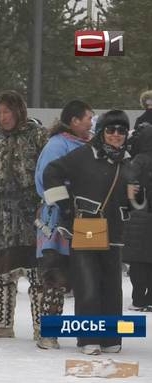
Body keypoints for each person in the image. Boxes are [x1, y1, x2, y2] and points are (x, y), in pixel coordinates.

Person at [43, 110, 132, 355]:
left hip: (115, 233)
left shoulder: (129, 161)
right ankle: (88, 338)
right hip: (86, 229)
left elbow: (139, 196)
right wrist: (64, 205)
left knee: (112, 287)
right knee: (88, 285)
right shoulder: (83, 155)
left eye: (121, 131)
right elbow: (50, 172)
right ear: (102, 132)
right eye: (111, 130)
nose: (116, 135)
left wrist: (138, 200)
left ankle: (111, 338)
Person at [0, 90, 48, 339]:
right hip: (0, 214)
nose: (3, 117)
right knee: (3, 270)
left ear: (18, 111)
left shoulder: (38, 135)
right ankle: (2, 323)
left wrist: (46, 204)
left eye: (7, 111)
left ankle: (42, 326)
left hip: (32, 213)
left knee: (36, 272)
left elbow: (49, 172)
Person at [33, 100, 93, 349]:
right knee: (55, 277)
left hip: (85, 221)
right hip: (56, 221)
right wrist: (66, 205)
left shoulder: (89, 146)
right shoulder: (57, 145)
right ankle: (48, 333)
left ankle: (90, 333)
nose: (92, 122)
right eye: (88, 117)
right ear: (75, 120)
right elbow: (44, 181)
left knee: (85, 276)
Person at [122, 125, 152, 311]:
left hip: (139, 217)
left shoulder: (139, 161)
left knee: (139, 262)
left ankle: (139, 299)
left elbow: (127, 184)